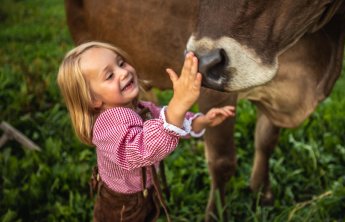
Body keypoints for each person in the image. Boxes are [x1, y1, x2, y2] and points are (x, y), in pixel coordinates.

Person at [57, 41, 235, 222]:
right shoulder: (107, 127)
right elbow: (141, 150)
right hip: (121, 203)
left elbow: (167, 121)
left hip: (145, 190)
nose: (123, 72)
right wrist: (178, 105)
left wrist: (201, 121)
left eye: (121, 63)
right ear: (93, 99)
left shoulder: (140, 107)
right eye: (109, 75)